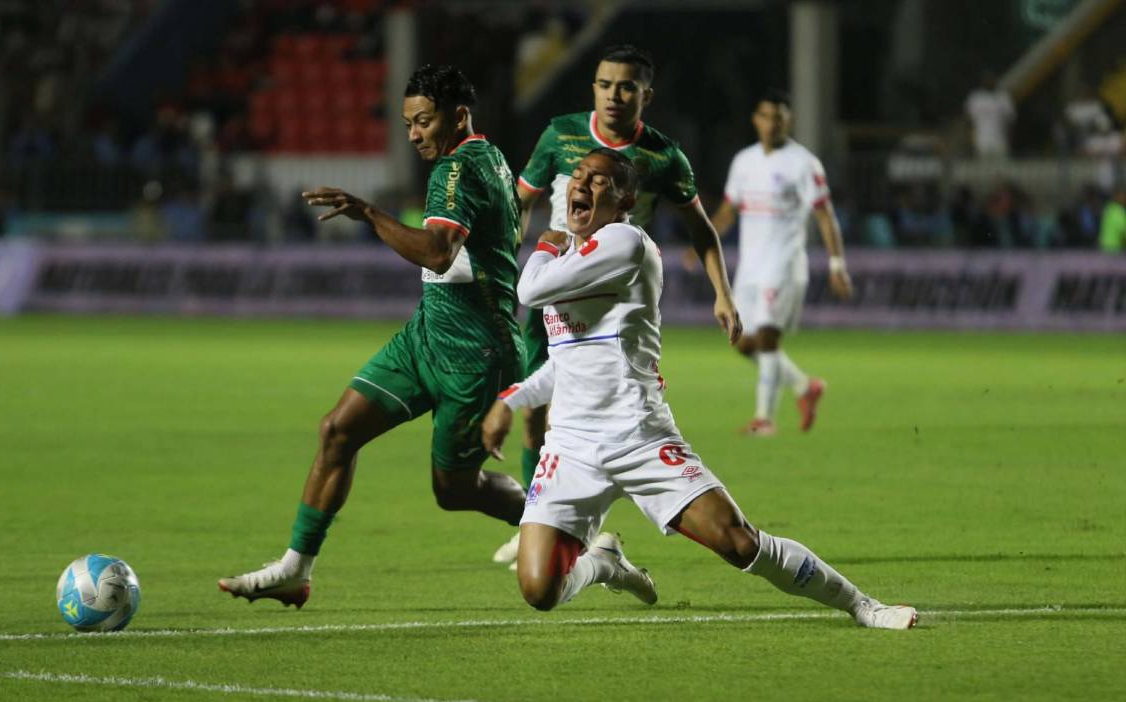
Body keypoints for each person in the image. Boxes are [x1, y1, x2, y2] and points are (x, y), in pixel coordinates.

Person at [482, 148, 916, 629]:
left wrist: (543, 243)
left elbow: (527, 291)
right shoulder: (570, 258)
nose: (582, 184)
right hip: (571, 445)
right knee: (539, 589)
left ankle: (863, 606)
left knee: (739, 541)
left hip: (637, 436)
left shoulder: (625, 241)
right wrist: (512, 399)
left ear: (625, 199)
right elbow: (565, 361)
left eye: (599, 180)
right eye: (579, 176)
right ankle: (604, 562)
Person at [219, 65, 525, 607]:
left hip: (475, 352)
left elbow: (437, 250)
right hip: (429, 333)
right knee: (338, 430)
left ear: (458, 116)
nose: (414, 135)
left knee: (453, 491)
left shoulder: (455, 169)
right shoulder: (490, 155)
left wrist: (368, 213)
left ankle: (570, 525)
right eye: (408, 123)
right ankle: (296, 568)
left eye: (424, 121)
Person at [493, 44, 736, 565]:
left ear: (646, 95)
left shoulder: (663, 155)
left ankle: (604, 499)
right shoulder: (561, 135)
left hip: (611, 291)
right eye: (605, 84)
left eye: (627, 86)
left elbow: (701, 228)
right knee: (539, 412)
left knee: (608, 393)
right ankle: (542, 518)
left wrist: (724, 292)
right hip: (556, 277)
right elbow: (521, 200)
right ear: (594, 88)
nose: (614, 95)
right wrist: (507, 261)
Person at [709, 89, 852, 437]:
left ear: (789, 121)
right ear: (755, 119)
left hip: (783, 265)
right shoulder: (744, 161)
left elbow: (824, 214)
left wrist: (836, 264)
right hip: (749, 267)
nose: (772, 123)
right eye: (766, 116)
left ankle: (764, 419)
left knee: (769, 338)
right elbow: (730, 208)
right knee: (743, 341)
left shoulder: (804, 163)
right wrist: (705, 242)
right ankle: (804, 387)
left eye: (779, 117)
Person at [964, 72, 1014, 159]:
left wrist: (1010, 140)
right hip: (981, 141)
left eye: (991, 79)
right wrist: (970, 140)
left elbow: (1010, 121)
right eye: (986, 80)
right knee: (983, 170)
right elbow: (968, 121)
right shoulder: (975, 98)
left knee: (1002, 170)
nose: (989, 82)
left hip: (1000, 141)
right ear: (982, 82)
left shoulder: (1003, 97)